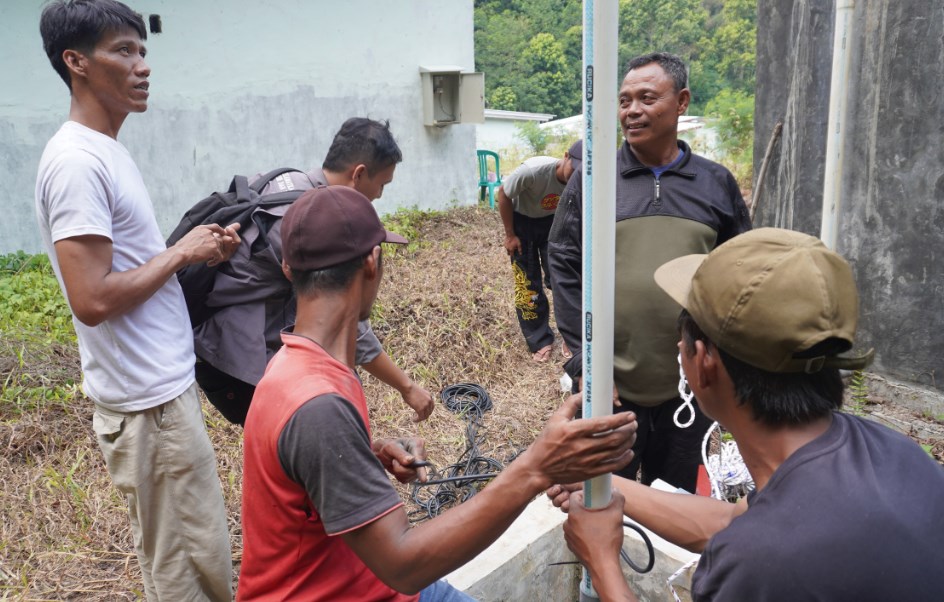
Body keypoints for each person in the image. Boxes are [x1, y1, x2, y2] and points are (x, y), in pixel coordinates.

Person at [237, 185, 638, 601]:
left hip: (357, 578)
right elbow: (403, 566)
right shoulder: (318, 405)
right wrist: (536, 467)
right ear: (372, 262)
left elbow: (301, 473)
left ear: (288, 268)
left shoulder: (298, 367)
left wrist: (363, 455)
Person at [552, 228, 944, 601]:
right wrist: (599, 479)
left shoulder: (760, 567)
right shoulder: (892, 452)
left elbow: (756, 542)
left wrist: (603, 562)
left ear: (703, 361)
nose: (677, 345)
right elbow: (735, 522)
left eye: (683, 335)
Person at [35, 1, 236, 599]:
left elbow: (124, 268)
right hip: (148, 409)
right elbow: (91, 298)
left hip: (162, 393)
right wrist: (180, 253)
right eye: (123, 51)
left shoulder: (106, 149)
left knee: (204, 559)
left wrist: (198, 252)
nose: (142, 65)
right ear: (76, 62)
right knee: (185, 572)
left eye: (143, 50)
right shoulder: (76, 162)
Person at [548, 52, 752, 493]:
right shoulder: (595, 179)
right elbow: (562, 260)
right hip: (611, 382)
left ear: (681, 102)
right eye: (624, 101)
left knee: (672, 496)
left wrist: (725, 357)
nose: (631, 111)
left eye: (646, 98)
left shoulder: (715, 183)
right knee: (602, 493)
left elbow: (739, 270)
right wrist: (585, 359)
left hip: (690, 385)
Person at [192, 117, 435, 426]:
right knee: (304, 434)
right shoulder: (310, 222)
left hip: (223, 341)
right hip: (235, 362)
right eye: (381, 186)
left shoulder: (285, 180)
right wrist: (407, 387)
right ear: (359, 174)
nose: (379, 197)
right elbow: (345, 315)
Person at [497, 141, 580, 362]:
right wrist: (510, 235)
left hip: (554, 222)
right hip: (522, 222)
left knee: (563, 279)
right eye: (575, 167)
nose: (577, 174)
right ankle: (539, 338)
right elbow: (503, 194)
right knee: (527, 282)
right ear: (565, 156)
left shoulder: (583, 178)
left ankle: (572, 338)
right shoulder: (532, 171)